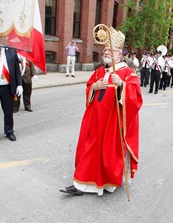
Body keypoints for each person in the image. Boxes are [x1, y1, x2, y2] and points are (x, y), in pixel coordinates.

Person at [59, 26, 143, 196]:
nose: (105, 52)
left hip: (112, 123)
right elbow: (89, 86)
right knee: (89, 149)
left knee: (106, 154)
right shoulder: (99, 71)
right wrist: (94, 87)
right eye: (104, 49)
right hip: (95, 120)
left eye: (109, 50)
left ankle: (104, 183)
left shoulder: (127, 73)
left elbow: (136, 98)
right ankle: (81, 184)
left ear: (119, 54)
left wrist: (121, 85)